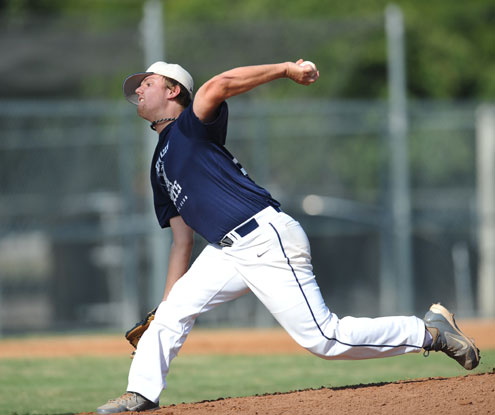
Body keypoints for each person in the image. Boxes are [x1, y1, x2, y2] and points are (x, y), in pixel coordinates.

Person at [97, 60, 480, 413]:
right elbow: (182, 241)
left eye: (147, 83)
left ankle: (429, 332)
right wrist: (164, 305)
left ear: (173, 91)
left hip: (264, 237)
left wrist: (285, 70)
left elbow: (221, 83)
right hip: (223, 251)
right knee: (172, 313)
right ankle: (143, 394)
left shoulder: (191, 127)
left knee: (324, 340)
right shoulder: (159, 166)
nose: (138, 92)